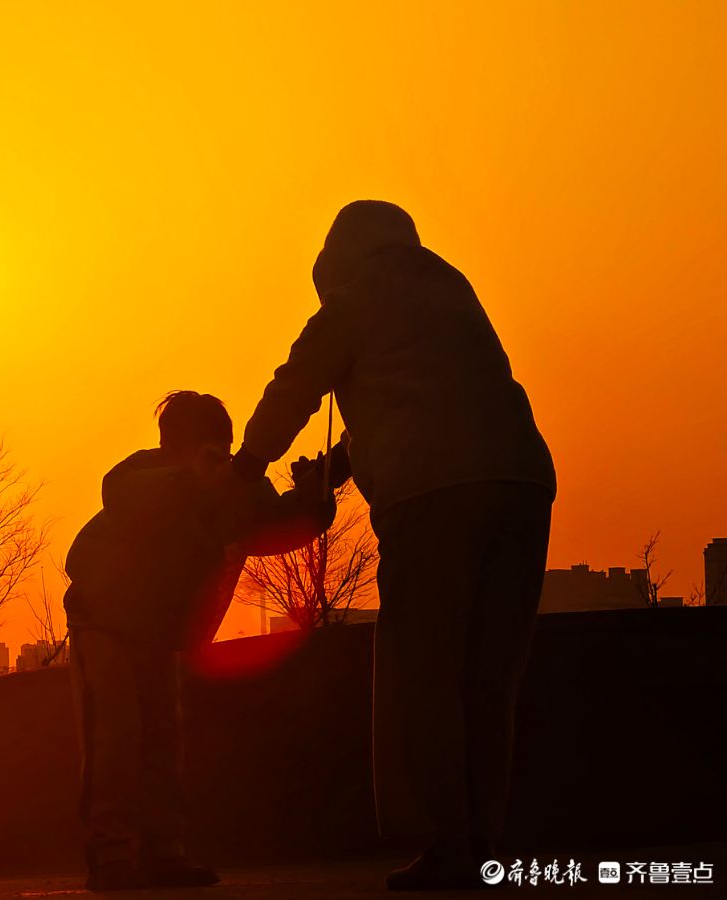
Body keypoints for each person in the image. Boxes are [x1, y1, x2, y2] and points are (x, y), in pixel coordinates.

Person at [231, 201, 557, 890]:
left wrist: (245, 465)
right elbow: (430, 399)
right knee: (491, 675)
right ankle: (485, 841)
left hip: (431, 499)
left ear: (337, 260)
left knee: (427, 673)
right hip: (522, 483)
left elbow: (295, 387)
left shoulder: (351, 300)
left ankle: (448, 841)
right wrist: (343, 467)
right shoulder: (452, 291)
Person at [64, 390, 344, 892]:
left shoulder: (229, 488)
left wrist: (322, 488)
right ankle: (109, 856)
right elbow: (132, 495)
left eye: (226, 449)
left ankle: (164, 852)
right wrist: (200, 477)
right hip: (102, 622)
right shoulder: (135, 477)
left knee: (163, 741)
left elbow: (273, 528)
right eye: (211, 448)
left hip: (159, 633)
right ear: (175, 446)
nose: (223, 459)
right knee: (116, 736)